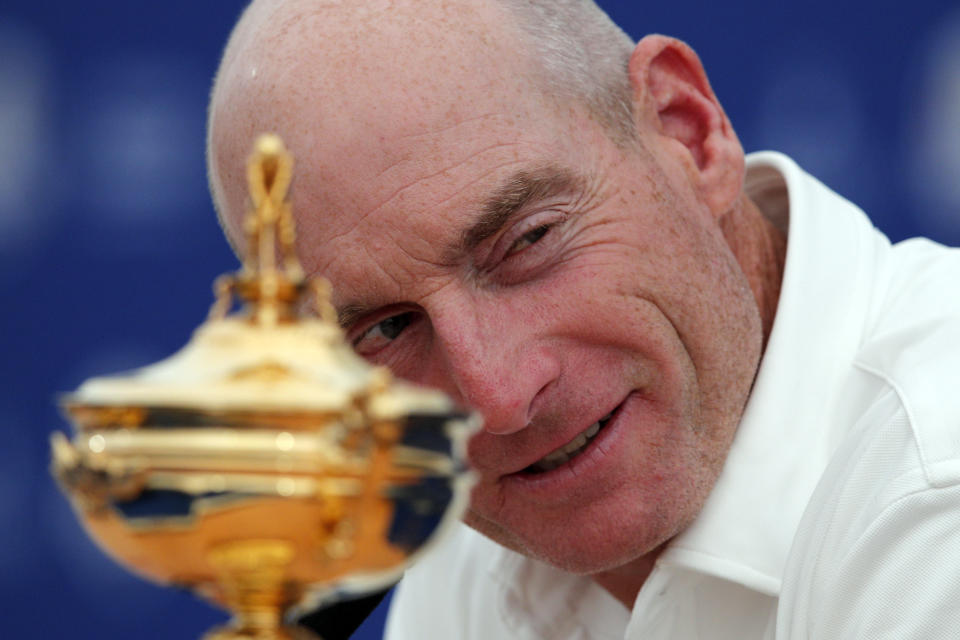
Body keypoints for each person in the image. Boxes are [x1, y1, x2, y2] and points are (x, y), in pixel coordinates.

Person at [206, 0, 960, 637]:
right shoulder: (479, 520)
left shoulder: (937, 484)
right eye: (387, 330)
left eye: (526, 242)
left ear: (686, 132)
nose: (497, 399)